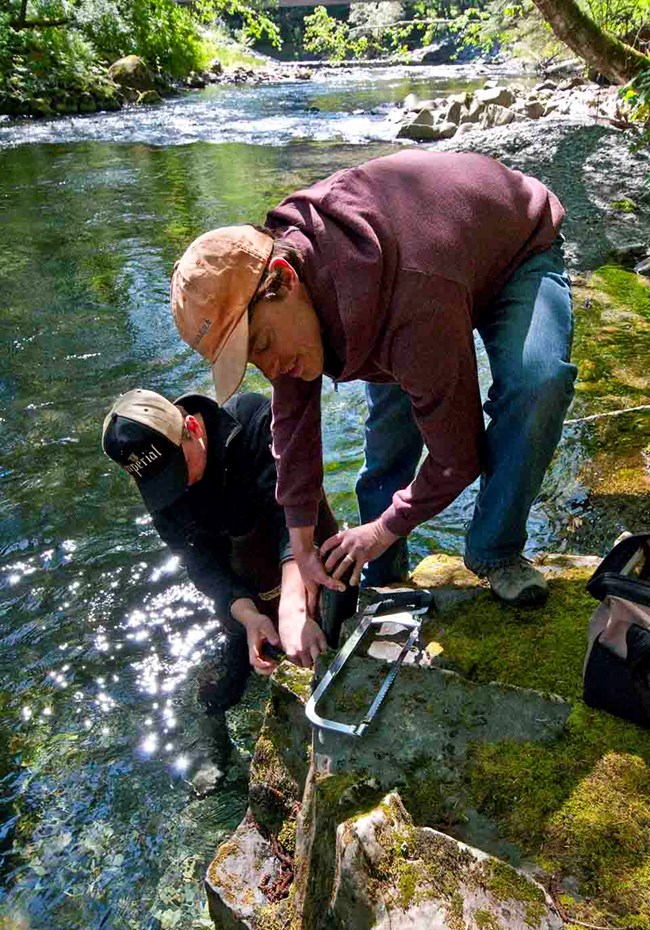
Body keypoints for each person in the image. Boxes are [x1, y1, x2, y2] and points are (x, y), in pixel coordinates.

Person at [169, 149, 577, 608]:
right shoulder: (280, 288)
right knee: (388, 440)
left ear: (285, 279)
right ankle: (381, 576)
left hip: (513, 250)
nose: (269, 369)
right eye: (249, 360)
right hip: (414, 278)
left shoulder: (411, 307)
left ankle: (495, 550)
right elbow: (294, 424)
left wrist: (384, 527)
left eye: (260, 345)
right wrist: (300, 548)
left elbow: (456, 458)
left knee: (537, 384)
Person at [101, 388, 336, 770]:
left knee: (334, 648)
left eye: (179, 470)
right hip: (248, 583)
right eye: (162, 483)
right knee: (216, 690)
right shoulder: (164, 497)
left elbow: (292, 513)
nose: (181, 488)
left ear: (191, 427)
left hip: (309, 553)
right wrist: (247, 616)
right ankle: (215, 745)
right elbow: (200, 565)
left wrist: (295, 605)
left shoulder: (255, 421)